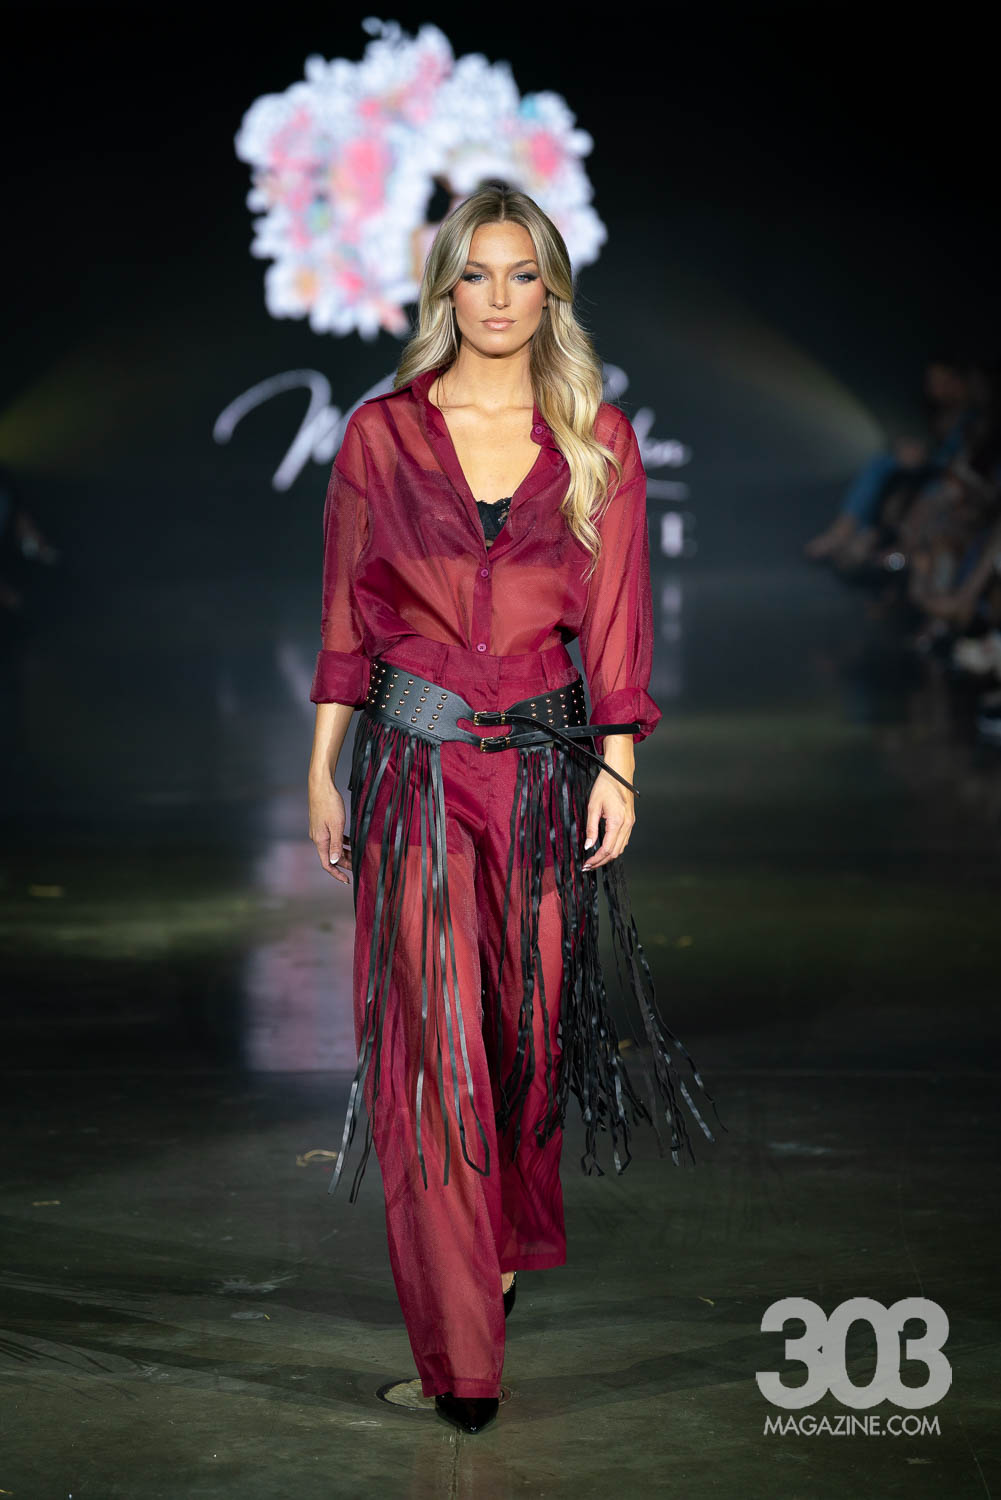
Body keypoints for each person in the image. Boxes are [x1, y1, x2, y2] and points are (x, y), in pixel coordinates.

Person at [306, 185, 718, 1436]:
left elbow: (616, 621)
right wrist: (320, 767)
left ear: (551, 290)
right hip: (416, 773)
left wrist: (617, 770)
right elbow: (344, 614)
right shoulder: (382, 436)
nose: (497, 298)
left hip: (541, 774)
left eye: (520, 273)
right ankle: (462, 1358)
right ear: (445, 288)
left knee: (524, 1038)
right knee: (434, 1054)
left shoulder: (594, 436)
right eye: (475, 274)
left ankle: (497, 1249)